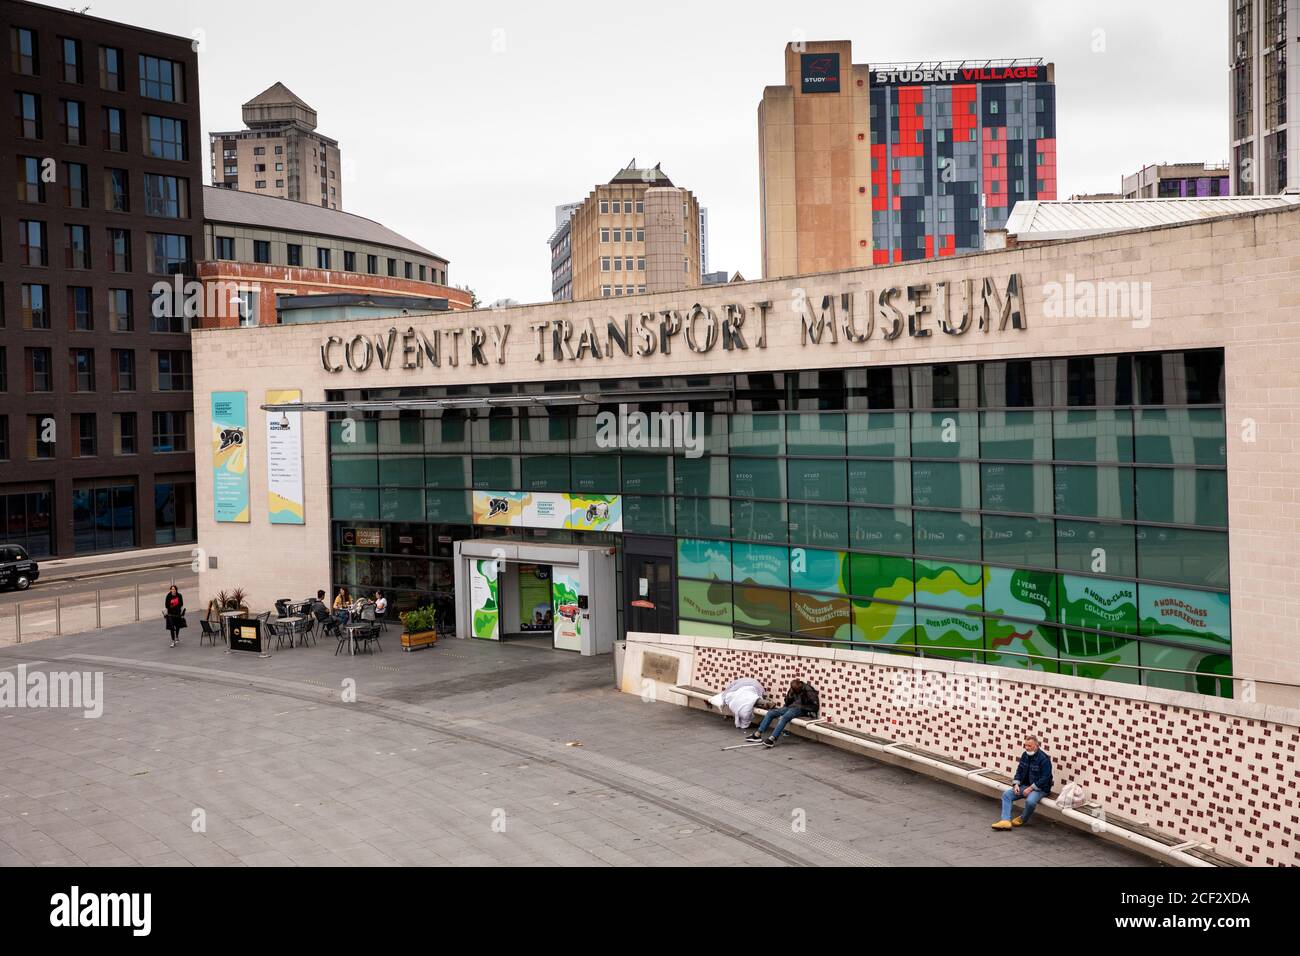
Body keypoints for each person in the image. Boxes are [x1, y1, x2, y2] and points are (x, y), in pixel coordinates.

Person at [992, 735, 1054, 829]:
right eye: (1025, 745)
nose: (1027, 748)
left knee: (1030, 802)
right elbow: (1019, 770)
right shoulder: (1025, 755)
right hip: (1025, 786)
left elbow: (1045, 778)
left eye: (1030, 746)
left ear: (1037, 746)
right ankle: (1005, 821)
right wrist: (1016, 784)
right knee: (1006, 795)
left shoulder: (1044, 759)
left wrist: (1031, 788)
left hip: (1040, 788)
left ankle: (1023, 819)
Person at [747, 678, 819, 748]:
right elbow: (787, 702)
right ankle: (757, 734)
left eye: (797, 690)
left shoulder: (809, 690)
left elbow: (815, 707)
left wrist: (801, 706)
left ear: (800, 686)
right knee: (770, 713)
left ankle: (772, 738)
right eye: (795, 690)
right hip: (790, 707)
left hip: (801, 709)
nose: (796, 691)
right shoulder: (793, 689)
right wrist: (789, 696)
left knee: (784, 717)